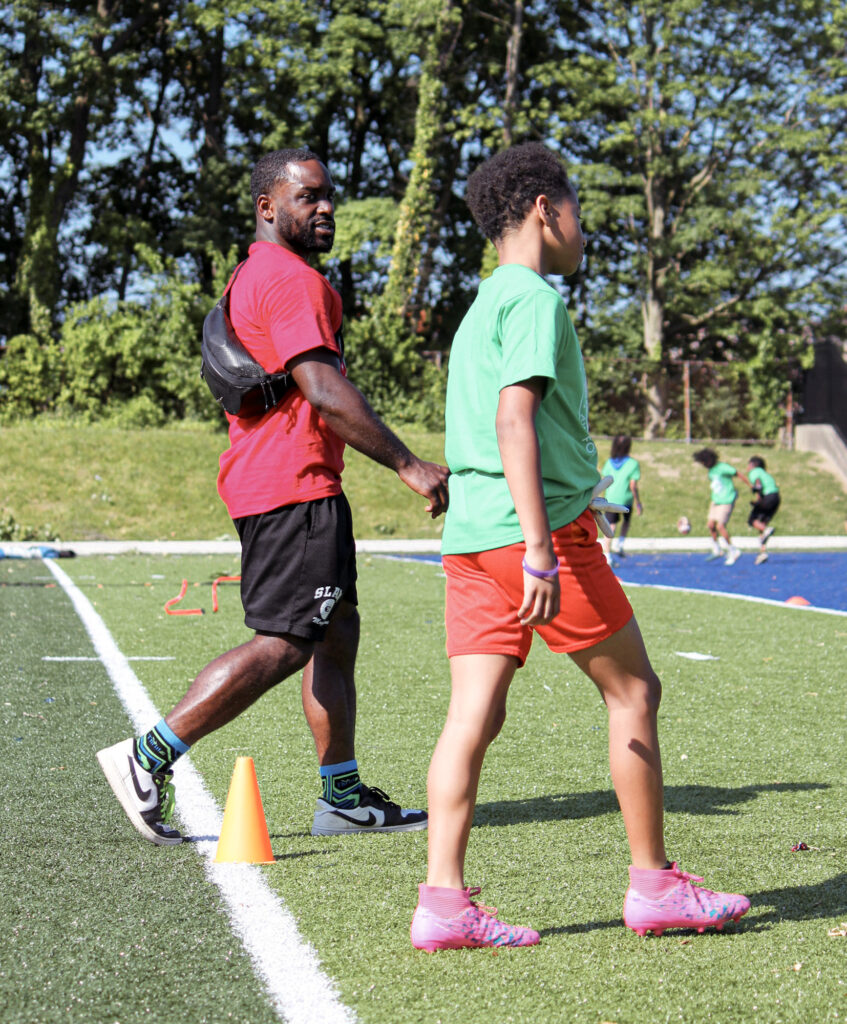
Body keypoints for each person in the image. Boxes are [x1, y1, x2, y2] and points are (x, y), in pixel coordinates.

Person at [409, 143, 749, 951]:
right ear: (541, 209)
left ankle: (443, 905)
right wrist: (538, 548)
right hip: (538, 535)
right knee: (634, 693)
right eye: (576, 211)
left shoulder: (481, 303)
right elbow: (512, 421)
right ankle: (655, 887)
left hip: (470, 539)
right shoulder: (531, 299)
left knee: (473, 716)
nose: (582, 229)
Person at [97, 148, 450, 845]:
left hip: (283, 481)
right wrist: (409, 465)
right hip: (293, 485)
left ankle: (341, 797)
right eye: (306, 197)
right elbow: (322, 388)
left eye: (328, 198)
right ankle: (147, 757)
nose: (324, 209)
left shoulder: (252, 276)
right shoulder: (291, 281)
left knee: (334, 630)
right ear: (267, 206)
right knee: (288, 641)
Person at [692, 448, 750, 566]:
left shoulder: (723, 467)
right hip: (716, 501)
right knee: (710, 525)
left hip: (726, 500)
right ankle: (717, 549)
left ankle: (733, 550)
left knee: (720, 526)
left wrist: (750, 485)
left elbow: (737, 473)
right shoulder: (711, 472)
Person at [600, 434, 642, 565]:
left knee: (610, 527)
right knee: (626, 521)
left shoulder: (609, 462)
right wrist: (638, 502)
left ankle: (607, 556)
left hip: (611, 498)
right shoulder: (633, 463)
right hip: (626, 499)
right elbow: (633, 485)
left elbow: (604, 480)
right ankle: (620, 543)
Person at [745, 455, 780, 564]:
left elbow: (758, 485)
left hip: (768, 497)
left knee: (752, 520)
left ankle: (766, 530)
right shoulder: (765, 473)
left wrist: (757, 495)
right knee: (762, 523)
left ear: (752, 465)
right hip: (776, 497)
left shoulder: (754, 472)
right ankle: (763, 552)